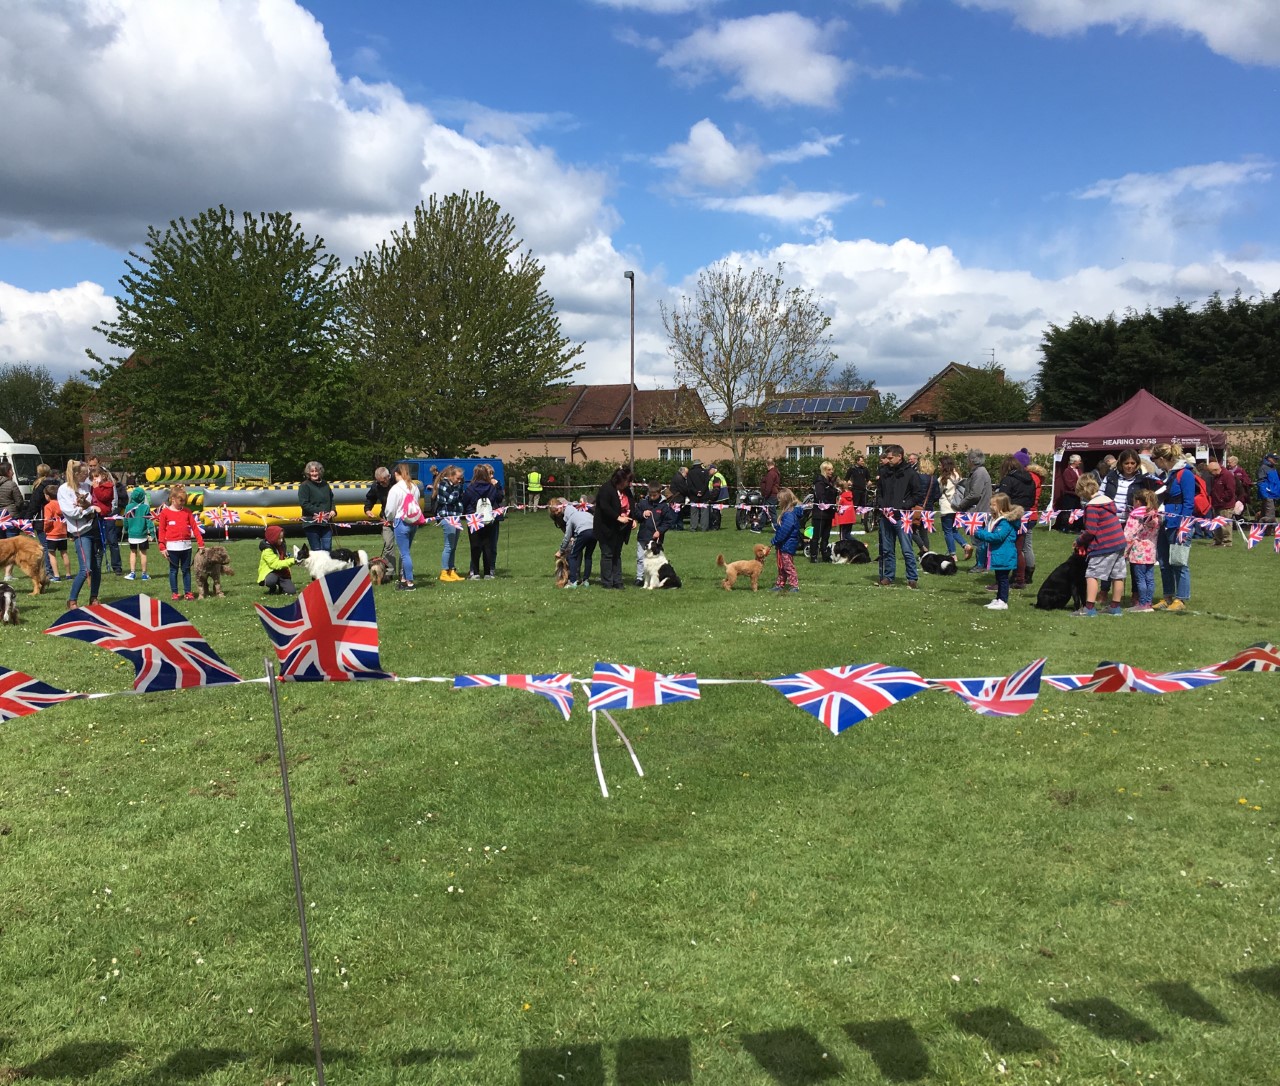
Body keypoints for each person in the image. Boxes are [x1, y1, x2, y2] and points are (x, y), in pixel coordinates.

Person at [1072, 474, 1127, 617]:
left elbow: (1091, 530)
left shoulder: (1092, 507)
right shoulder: (1108, 502)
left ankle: (1089, 608)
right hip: (1119, 543)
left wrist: (1079, 541)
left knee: (1092, 574)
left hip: (1104, 544)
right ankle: (1115, 606)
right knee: (1118, 575)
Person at [1150, 443, 1195, 612]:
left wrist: (1183, 525)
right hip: (1164, 523)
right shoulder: (1167, 475)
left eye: (1155, 459)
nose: (1154, 463)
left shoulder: (1185, 474)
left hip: (1179, 524)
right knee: (1163, 562)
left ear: (1161, 459)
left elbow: (1188, 503)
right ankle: (1167, 596)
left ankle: (1181, 598)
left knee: (1178, 562)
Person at [874, 445, 923, 587]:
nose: (888, 460)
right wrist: (882, 505)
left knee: (907, 549)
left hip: (902, 516)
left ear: (899, 456)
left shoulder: (910, 473)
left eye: (890, 458)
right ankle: (888, 576)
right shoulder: (884, 472)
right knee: (887, 549)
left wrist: (904, 505)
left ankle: (912, 577)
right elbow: (880, 491)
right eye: (887, 458)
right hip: (886, 516)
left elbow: (917, 495)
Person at [58, 459, 100, 609]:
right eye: (84, 473)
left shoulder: (87, 487)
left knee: (96, 567)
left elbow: (98, 503)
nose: (86, 476)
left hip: (94, 528)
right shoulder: (64, 490)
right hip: (81, 533)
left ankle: (94, 597)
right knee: (86, 568)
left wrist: (92, 508)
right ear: (75, 474)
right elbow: (72, 512)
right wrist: (90, 510)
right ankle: (72, 600)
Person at [155, 484, 205, 601]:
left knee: (186, 570)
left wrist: (200, 543)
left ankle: (188, 592)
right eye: (180, 500)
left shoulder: (187, 512)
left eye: (184, 501)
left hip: (186, 546)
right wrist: (162, 546)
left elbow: (195, 528)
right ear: (172, 499)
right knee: (173, 570)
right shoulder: (165, 513)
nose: (182, 503)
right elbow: (161, 531)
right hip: (172, 547)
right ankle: (175, 593)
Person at [973, 493, 1021, 611]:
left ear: (1001, 506)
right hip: (999, 554)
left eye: (993, 505)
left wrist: (979, 533)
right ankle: (999, 598)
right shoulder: (995, 520)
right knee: (999, 577)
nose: (991, 507)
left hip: (1005, 554)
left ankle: (1003, 600)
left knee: (1003, 579)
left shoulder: (1005, 522)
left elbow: (997, 537)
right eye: (990, 504)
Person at [995, 455, 1035, 589]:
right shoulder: (1030, 479)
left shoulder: (1008, 480)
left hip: (1012, 515)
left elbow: (1002, 499)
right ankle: (1024, 576)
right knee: (1024, 547)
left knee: (1013, 549)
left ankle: (1017, 578)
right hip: (1026, 513)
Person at [592, 464, 635, 589]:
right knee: (607, 554)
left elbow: (631, 503)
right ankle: (607, 582)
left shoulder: (626, 490)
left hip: (620, 529)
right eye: (628, 481)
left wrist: (633, 519)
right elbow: (605, 507)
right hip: (606, 528)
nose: (630, 484)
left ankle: (617, 581)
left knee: (617, 554)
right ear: (620, 480)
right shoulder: (606, 489)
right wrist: (618, 517)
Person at [385, 462, 424, 591]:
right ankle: (403, 579)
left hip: (401, 521)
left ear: (396, 474)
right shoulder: (415, 487)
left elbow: (390, 510)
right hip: (413, 521)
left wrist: (389, 520)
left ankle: (409, 582)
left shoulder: (395, 489)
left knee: (404, 553)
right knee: (406, 552)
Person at [462, 464, 504, 579]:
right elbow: (497, 499)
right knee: (487, 546)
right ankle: (487, 572)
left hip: (474, 519)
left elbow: (464, 502)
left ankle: (475, 572)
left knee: (475, 546)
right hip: (487, 518)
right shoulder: (491, 488)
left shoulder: (470, 488)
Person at [1123, 487, 1160, 612]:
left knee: (1140, 579)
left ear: (1138, 502)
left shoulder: (1135, 515)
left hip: (1138, 551)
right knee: (1149, 578)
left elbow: (1129, 534)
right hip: (1151, 551)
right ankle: (1148, 603)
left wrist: (1125, 550)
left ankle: (1142, 603)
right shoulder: (1155, 515)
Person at [955, 449, 993, 569]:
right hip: (978, 510)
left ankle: (981, 565)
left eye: (968, 459)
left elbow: (975, 494)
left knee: (979, 539)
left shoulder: (979, 473)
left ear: (972, 460)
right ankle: (981, 563)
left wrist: (961, 505)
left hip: (979, 511)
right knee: (979, 539)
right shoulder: (978, 472)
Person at [634, 482, 677, 585]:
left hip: (656, 539)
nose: (652, 497)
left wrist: (660, 531)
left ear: (659, 493)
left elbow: (669, 521)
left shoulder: (664, 506)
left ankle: (655, 577)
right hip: (643, 536)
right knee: (641, 558)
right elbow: (636, 513)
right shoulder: (643, 503)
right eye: (651, 495)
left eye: (655, 495)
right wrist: (643, 514)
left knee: (655, 560)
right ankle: (639, 578)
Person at [550, 497, 597, 588]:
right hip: (595, 533)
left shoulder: (570, 519)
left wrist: (561, 551)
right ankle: (586, 580)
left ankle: (573, 581)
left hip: (584, 533)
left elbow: (567, 538)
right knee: (588, 556)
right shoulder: (585, 513)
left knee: (573, 556)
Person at [363, 467, 397, 576]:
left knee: (403, 547)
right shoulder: (376, 486)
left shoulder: (397, 482)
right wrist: (367, 509)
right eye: (379, 482)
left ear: (388, 477)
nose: (382, 484)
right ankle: (389, 573)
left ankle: (404, 574)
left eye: (383, 481)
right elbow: (370, 498)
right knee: (388, 545)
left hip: (400, 517)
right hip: (386, 518)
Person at [89, 466, 123, 576]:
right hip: (96, 515)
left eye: (96, 476)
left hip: (107, 514)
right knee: (97, 542)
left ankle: (117, 566)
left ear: (103, 476)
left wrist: (96, 488)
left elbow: (103, 497)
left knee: (112, 541)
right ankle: (96, 566)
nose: (95, 479)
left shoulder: (108, 486)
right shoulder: (93, 487)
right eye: (93, 477)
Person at [435, 465, 466, 581]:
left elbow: (460, 499)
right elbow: (450, 500)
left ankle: (451, 570)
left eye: (461, 479)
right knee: (448, 546)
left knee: (453, 547)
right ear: (451, 476)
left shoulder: (456, 486)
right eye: (458, 478)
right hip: (447, 518)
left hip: (456, 517)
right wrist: (458, 489)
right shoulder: (443, 485)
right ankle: (444, 572)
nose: (459, 481)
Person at [769, 487, 801, 592]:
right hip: (783, 545)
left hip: (787, 544)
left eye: (779, 499)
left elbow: (785, 530)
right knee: (781, 566)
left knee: (788, 566)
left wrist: (775, 540)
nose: (778, 501)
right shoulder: (787, 513)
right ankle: (780, 584)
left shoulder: (789, 514)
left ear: (784, 500)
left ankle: (794, 585)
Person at [299, 460, 335, 552]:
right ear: (308, 473)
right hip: (311, 523)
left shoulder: (325, 485)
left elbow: (331, 499)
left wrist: (333, 510)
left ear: (320, 472)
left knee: (327, 549)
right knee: (317, 550)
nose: (314, 473)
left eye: (316, 471)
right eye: (312, 471)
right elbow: (304, 503)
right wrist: (320, 512)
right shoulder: (304, 486)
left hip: (326, 523)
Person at [809, 460, 838, 562]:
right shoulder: (819, 482)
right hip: (820, 513)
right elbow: (820, 496)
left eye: (832, 469)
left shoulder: (831, 482)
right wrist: (829, 505)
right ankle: (813, 556)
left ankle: (825, 555)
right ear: (824, 470)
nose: (831, 471)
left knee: (826, 536)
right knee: (816, 536)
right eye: (829, 469)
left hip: (829, 513)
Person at [121, 485, 152, 581]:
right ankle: (144, 574)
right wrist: (152, 532)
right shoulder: (146, 507)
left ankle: (132, 573)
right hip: (142, 534)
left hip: (132, 534)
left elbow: (125, 520)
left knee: (133, 552)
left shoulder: (128, 507)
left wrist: (125, 529)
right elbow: (149, 521)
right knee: (143, 553)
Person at [0, 461, 24, 584]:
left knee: (2, 546)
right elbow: (19, 501)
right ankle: (8, 574)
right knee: (12, 546)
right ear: (8, 471)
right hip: (10, 516)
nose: (13, 472)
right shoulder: (11, 484)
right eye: (11, 470)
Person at [257, 524, 298, 595]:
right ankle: (272, 587)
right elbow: (275, 564)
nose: (281, 540)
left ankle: (282, 587)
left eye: (282, 538)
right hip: (271, 572)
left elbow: (283, 558)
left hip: (283, 572)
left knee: (291, 591)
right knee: (271, 581)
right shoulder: (267, 550)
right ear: (272, 537)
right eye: (279, 538)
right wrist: (293, 560)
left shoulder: (282, 545)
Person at [936, 456, 964, 559]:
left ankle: (952, 553)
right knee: (954, 530)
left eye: (940, 464)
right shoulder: (957, 475)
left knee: (947, 531)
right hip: (957, 506)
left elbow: (941, 492)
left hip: (947, 507)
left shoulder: (943, 478)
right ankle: (965, 544)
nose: (939, 466)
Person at [43, 485, 72, 583]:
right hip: (63, 533)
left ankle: (56, 575)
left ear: (47, 496)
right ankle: (68, 574)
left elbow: (48, 521)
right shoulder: (62, 504)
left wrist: (45, 529)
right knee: (64, 553)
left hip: (52, 534)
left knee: (52, 555)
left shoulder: (48, 506)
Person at [910, 455, 938, 555]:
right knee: (924, 533)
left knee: (910, 529)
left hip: (917, 507)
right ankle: (925, 554)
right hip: (929, 508)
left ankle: (923, 547)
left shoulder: (917, 477)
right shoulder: (934, 479)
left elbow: (913, 491)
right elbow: (937, 495)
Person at [1207, 460, 1237, 546]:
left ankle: (1227, 542)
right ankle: (1217, 540)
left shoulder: (1227, 475)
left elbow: (1230, 491)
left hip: (1225, 505)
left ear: (1215, 470)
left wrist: (1221, 499)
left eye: (1211, 472)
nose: (1210, 474)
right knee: (1217, 524)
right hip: (1217, 504)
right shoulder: (1217, 477)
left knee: (1225, 524)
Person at [1054, 453, 1083, 531]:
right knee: (1067, 512)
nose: (1080, 462)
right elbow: (1069, 483)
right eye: (1079, 461)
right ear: (1074, 461)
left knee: (1078, 511)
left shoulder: (1079, 471)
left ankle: (1077, 527)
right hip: (1069, 495)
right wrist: (1079, 486)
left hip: (1078, 495)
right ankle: (1065, 527)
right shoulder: (1067, 471)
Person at [687, 461, 709, 532]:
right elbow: (706, 483)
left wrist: (696, 492)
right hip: (704, 495)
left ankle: (693, 527)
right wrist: (702, 492)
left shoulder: (690, 473)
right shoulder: (705, 472)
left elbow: (690, 485)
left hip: (694, 496)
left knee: (694, 513)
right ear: (700, 464)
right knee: (704, 512)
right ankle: (704, 528)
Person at [1259, 452, 1280, 528]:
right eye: (1275, 459)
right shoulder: (1264, 468)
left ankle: (1265, 530)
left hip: (1273, 494)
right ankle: (1261, 523)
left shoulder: (1273, 468)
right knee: (1270, 516)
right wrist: (1265, 494)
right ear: (1269, 458)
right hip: (1268, 494)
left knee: (1267, 513)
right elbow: (1261, 482)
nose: (1276, 460)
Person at [668, 464, 691, 530]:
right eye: (686, 473)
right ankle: (673, 527)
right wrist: (689, 495)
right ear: (682, 472)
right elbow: (683, 489)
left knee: (679, 514)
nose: (687, 475)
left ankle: (679, 527)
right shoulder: (679, 478)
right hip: (677, 500)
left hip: (677, 499)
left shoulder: (677, 477)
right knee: (676, 515)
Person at [759, 457, 781, 527]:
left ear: (767, 464)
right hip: (772, 495)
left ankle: (776, 526)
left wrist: (765, 495)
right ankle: (759, 527)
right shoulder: (775, 472)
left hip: (770, 495)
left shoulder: (771, 474)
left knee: (772, 512)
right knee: (765, 511)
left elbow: (768, 486)